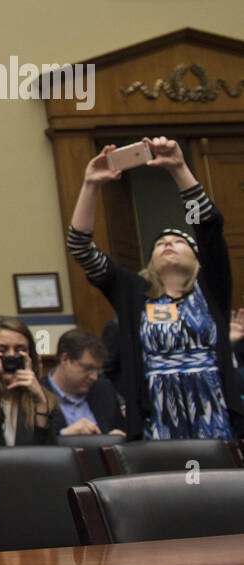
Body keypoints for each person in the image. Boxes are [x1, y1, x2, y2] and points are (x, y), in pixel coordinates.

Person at [67, 138, 241, 440]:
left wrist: (178, 167)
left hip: (217, 417)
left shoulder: (210, 287)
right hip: (156, 423)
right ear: (151, 260)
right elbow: (80, 248)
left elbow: (209, 223)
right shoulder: (134, 292)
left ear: (198, 258)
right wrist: (90, 185)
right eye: (160, 243)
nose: (168, 243)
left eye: (178, 240)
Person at [0, 316, 64, 446]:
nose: (11, 356)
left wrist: (40, 402)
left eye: (20, 350)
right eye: (2, 350)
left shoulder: (48, 400)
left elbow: (48, 456)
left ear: (30, 355)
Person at [42, 328, 126, 436]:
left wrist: (119, 439)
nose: (94, 377)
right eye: (88, 368)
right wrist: (63, 436)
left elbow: (123, 434)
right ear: (65, 359)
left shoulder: (104, 391)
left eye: (98, 370)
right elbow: (32, 445)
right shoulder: (37, 395)